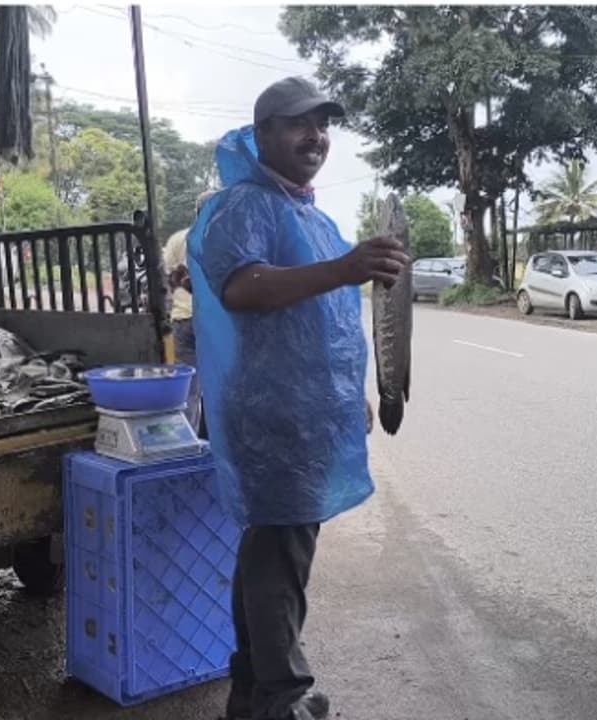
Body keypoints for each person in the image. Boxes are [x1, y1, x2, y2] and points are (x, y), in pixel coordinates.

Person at [187, 77, 408, 720]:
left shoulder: (310, 214)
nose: (315, 136)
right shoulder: (244, 205)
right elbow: (244, 288)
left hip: (310, 411)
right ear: (262, 136)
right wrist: (346, 267)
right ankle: (282, 695)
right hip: (269, 413)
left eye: (322, 124)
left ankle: (255, 690)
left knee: (274, 547)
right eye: (296, 124)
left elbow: (330, 323)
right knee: (278, 551)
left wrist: (353, 396)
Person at [163, 189, 218, 434]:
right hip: (214, 322)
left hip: (182, 320)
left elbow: (166, 278)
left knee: (188, 390)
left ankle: (189, 441)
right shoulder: (222, 237)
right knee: (219, 385)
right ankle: (217, 446)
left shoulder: (179, 239)